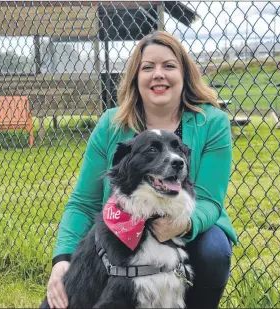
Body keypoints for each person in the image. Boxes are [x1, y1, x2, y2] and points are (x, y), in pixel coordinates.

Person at [46, 31, 238, 309]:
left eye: (169, 66)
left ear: (185, 74)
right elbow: (83, 201)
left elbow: (209, 199)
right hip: (122, 229)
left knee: (214, 251)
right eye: (148, 67)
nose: (158, 74)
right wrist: (62, 259)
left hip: (187, 223)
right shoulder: (111, 124)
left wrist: (182, 224)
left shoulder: (212, 122)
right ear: (135, 77)